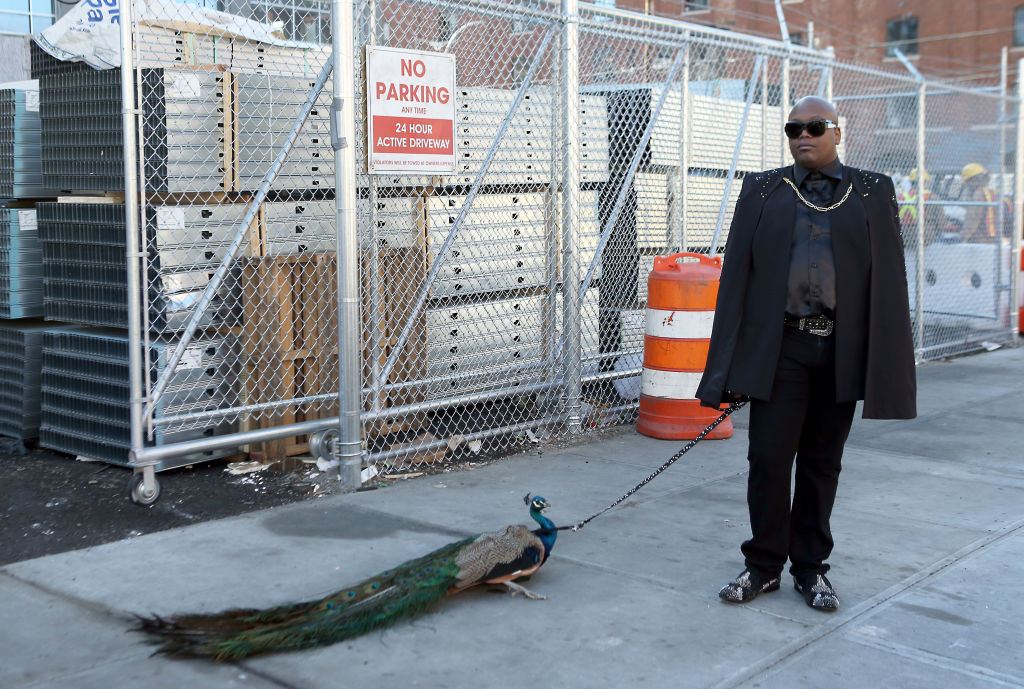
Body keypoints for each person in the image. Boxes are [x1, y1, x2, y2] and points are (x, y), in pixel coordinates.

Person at [696, 96, 917, 612]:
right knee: (768, 459)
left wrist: (883, 358)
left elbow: (890, 280)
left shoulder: (872, 191)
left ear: (837, 132)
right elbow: (737, 279)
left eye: (815, 127)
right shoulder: (763, 190)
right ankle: (763, 565)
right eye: (794, 128)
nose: (803, 135)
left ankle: (811, 568)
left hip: (841, 348)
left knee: (823, 462)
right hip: (784, 348)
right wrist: (733, 358)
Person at [960, 163, 1003, 243]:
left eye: (967, 182)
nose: (968, 186)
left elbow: (972, 218)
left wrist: (962, 237)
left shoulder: (978, 194)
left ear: (974, 180)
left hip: (980, 238)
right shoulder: (992, 192)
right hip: (992, 237)